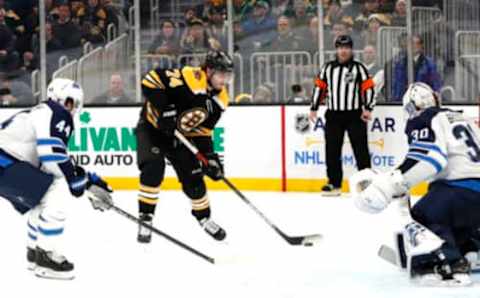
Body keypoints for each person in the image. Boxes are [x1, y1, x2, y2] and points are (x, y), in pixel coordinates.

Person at [350, 82, 480, 286]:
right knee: (442, 202)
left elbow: (430, 159)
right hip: (472, 197)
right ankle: (471, 248)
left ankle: (449, 264)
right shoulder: (463, 118)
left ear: (412, 106)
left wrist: (390, 184)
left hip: (461, 190)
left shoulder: (424, 118)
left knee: (421, 216)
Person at [0, 78, 112, 280]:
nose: (73, 108)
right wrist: (77, 184)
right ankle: (47, 257)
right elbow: (52, 156)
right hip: (6, 164)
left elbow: (52, 161)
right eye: (71, 101)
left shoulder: (41, 112)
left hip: (6, 165)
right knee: (57, 187)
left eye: (76, 103)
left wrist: (86, 179)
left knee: (44, 192)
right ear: (61, 99)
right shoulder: (56, 112)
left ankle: (34, 252)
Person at [136, 50, 233, 243]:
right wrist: (166, 110)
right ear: (209, 71)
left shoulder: (220, 100)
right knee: (153, 168)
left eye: (228, 75)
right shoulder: (190, 77)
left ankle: (204, 217)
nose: (225, 80)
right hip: (152, 130)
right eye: (222, 74)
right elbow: (150, 80)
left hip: (181, 136)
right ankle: (145, 217)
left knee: (194, 177)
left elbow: (203, 131)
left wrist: (209, 156)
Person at [309, 35, 375, 196]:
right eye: (340, 47)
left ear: (351, 49)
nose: (343, 51)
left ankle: (366, 184)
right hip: (334, 115)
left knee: (361, 150)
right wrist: (314, 107)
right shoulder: (328, 68)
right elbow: (319, 88)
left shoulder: (359, 68)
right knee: (332, 150)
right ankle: (334, 183)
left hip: (355, 115)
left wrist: (368, 108)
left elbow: (368, 88)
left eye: (346, 47)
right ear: (336, 49)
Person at [393, 35, 442, 102]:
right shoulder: (401, 63)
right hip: (405, 98)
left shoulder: (429, 63)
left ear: (422, 46)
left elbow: (434, 82)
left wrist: (435, 95)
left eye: (417, 43)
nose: (414, 46)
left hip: (424, 99)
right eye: (412, 43)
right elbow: (398, 83)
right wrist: (397, 100)